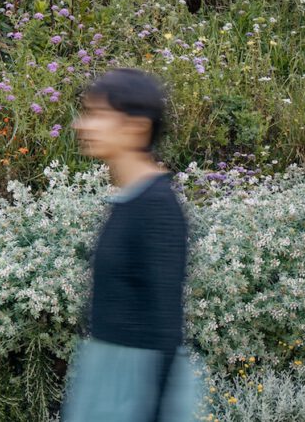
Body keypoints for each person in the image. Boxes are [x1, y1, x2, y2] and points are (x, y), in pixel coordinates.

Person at [62, 68, 207, 421]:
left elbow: (165, 322)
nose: (82, 125)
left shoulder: (157, 206)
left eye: (97, 115)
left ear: (136, 126)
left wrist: (155, 408)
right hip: (106, 376)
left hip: (134, 389)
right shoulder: (129, 199)